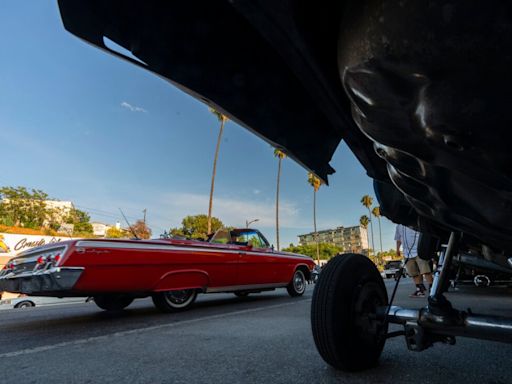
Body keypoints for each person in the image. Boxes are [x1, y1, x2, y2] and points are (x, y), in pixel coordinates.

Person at [395, 224, 433, 298]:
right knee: (413, 273)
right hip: (407, 253)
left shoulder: (415, 221)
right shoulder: (399, 226)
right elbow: (398, 239)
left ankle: (433, 289)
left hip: (419, 250)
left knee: (426, 271)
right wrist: (397, 249)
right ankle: (419, 290)